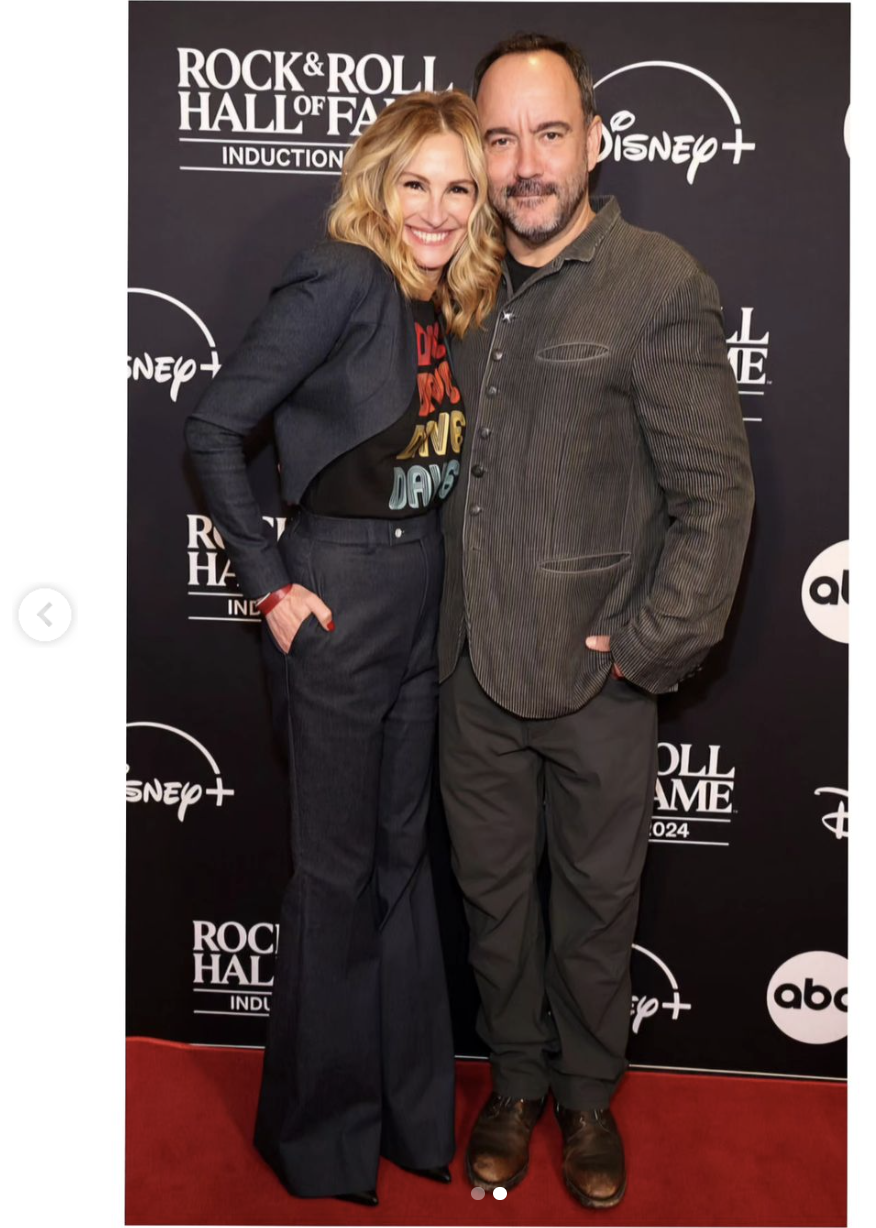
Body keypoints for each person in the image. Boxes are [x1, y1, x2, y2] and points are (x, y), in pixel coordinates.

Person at [437, 35, 755, 1209]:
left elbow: (715, 497)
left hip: (596, 677)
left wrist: (648, 646)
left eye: (550, 133)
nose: (526, 163)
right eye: (504, 137)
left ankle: (584, 1100)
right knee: (490, 902)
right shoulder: (456, 277)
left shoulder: (657, 281)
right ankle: (514, 1085)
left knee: (592, 913)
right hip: (465, 668)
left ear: (594, 143)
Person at [184, 90, 503, 1205]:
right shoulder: (344, 279)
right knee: (334, 874)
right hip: (338, 597)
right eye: (416, 182)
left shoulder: (437, 303)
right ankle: (321, 1138)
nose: (436, 208)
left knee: (403, 865)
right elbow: (216, 426)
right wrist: (271, 588)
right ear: (379, 184)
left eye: (458, 187)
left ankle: (411, 1116)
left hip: (421, 596)